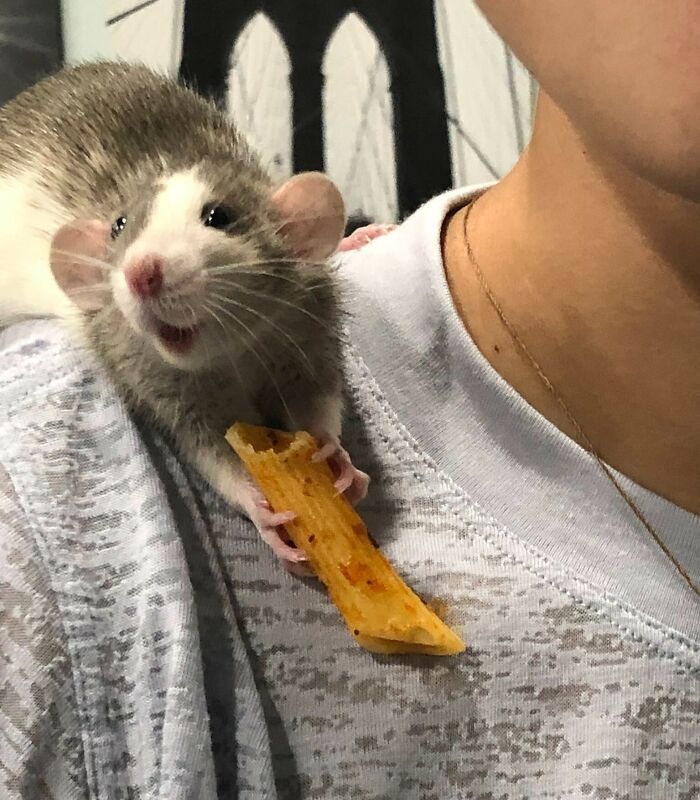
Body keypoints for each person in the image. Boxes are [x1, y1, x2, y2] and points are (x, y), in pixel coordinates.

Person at [1, 1, 698, 797]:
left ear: (306, 237)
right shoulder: (40, 508)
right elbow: (199, 421)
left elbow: (313, 373)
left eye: (223, 219)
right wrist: (256, 491)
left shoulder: (311, 300)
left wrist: (320, 434)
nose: (147, 272)